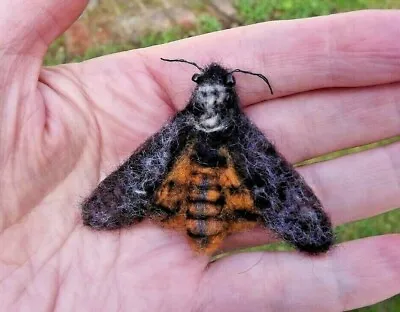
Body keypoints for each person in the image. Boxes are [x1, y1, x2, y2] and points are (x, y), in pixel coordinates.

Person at [0, 1, 399, 311]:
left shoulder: (185, 128)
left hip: (191, 192)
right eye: (203, 90)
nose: (208, 97)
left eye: (214, 90)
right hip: (205, 192)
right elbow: (269, 177)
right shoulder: (234, 133)